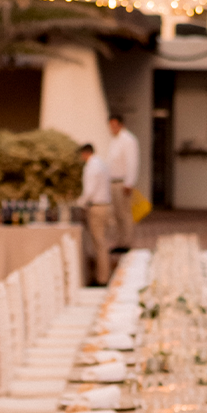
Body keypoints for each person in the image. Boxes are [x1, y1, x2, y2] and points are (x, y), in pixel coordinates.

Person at [77, 143, 112, 285]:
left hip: (96, 207)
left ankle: (102, 278)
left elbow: (89, 191)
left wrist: (80, 203)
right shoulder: (101, 164)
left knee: (99, 243)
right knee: (101, 242)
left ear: (85, 153)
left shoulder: (91, 167)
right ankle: (102, 276)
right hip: (105, 206)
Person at [106, 113, 139, 253]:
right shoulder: (114, 140)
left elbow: (132, 162)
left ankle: (126, 242)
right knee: (117, 214)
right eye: (110, 126)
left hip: (122, 182)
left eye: (114, 125)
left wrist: (129, 182)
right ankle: (120, 241)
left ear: (121, 125)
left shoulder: (128, 139)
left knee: (124, 214)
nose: (112, 128)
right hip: (113, 181)